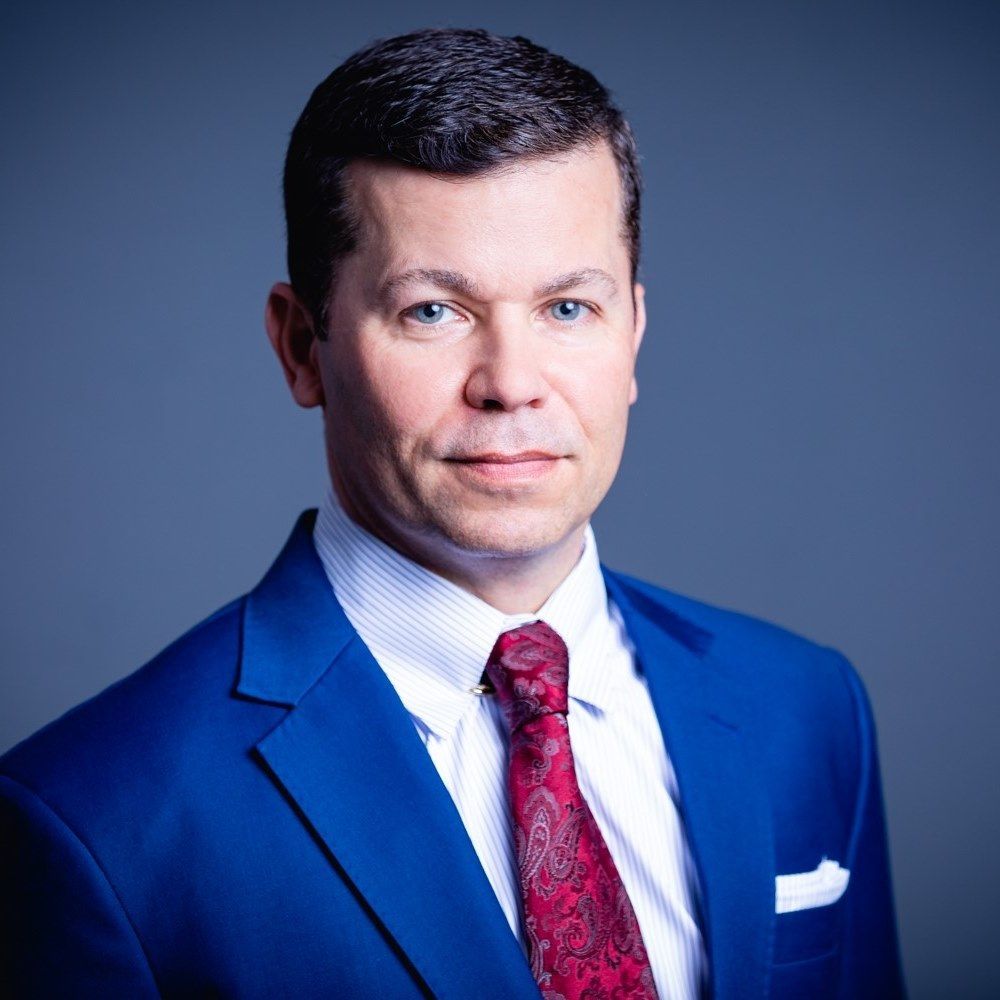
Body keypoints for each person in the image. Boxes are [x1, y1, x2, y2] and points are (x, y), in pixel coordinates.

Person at [0, 27, 905, 1000]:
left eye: (567, 308)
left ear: (633, 331)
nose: (511, 384)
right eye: (434, 311)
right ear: (303, 346)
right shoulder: (90, 820)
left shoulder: (806, 708)